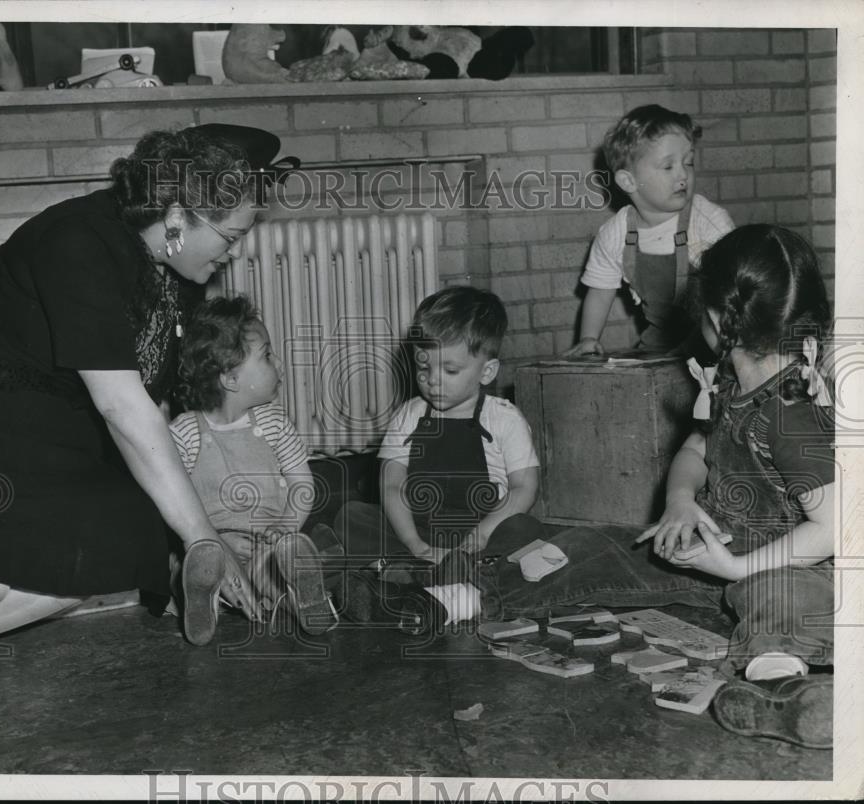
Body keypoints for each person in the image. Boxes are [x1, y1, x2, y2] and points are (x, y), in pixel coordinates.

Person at [0, 124, 299, 675]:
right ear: (177, 217)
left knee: (121, 541)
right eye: (229, 237)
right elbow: (122, 406)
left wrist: (190, 532)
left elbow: (154, 406)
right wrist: (203, 536)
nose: (234, 252)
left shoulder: (176, 271)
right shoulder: (79, 241)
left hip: (47, 442)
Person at [501, 224, 835, 748]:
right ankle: (452, 594)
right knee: (598, 544)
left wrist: (738, 568)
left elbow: (835, 528)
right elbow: (696, 450)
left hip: (788, 569)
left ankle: (781, 693)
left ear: (718, 318)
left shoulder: (791, 416)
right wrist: (680, 502)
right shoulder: (731, 381)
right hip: (719, 552)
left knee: (779, 599)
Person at [336, 286, 541, 629]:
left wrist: (480, 535)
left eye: (449, 370)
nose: (432, 380)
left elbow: (524, 488)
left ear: (486, 372)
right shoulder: (408, 416)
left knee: (527, 531)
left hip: (481, 535)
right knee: (351, 516)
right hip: (417, 531)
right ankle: (427, 574)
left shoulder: (504, 419)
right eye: (423, 367)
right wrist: (415, 544)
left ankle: (406, 580)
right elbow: (392, 486)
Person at [168, 295, 338, 644]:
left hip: (267, 540)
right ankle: (201, 601)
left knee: (274, 568)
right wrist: (210, 542)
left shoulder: (274, 422)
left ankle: (303, 599)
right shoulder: (185, 431)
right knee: (192, 564)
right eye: (267, 356)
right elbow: (173, 500)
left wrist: (285, 526)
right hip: (211, 543)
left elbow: (302, 484)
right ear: (231, 378)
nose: (279, 364)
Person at [565, 104, 735, 358]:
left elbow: (734, 295)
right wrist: (589, 339)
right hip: (658, 349)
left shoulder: (707, 221)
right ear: (628, 181)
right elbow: (600, 293)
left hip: (714, 346)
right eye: (668, 167)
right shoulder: (616, 233)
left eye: (688, 163)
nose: (682, 175)